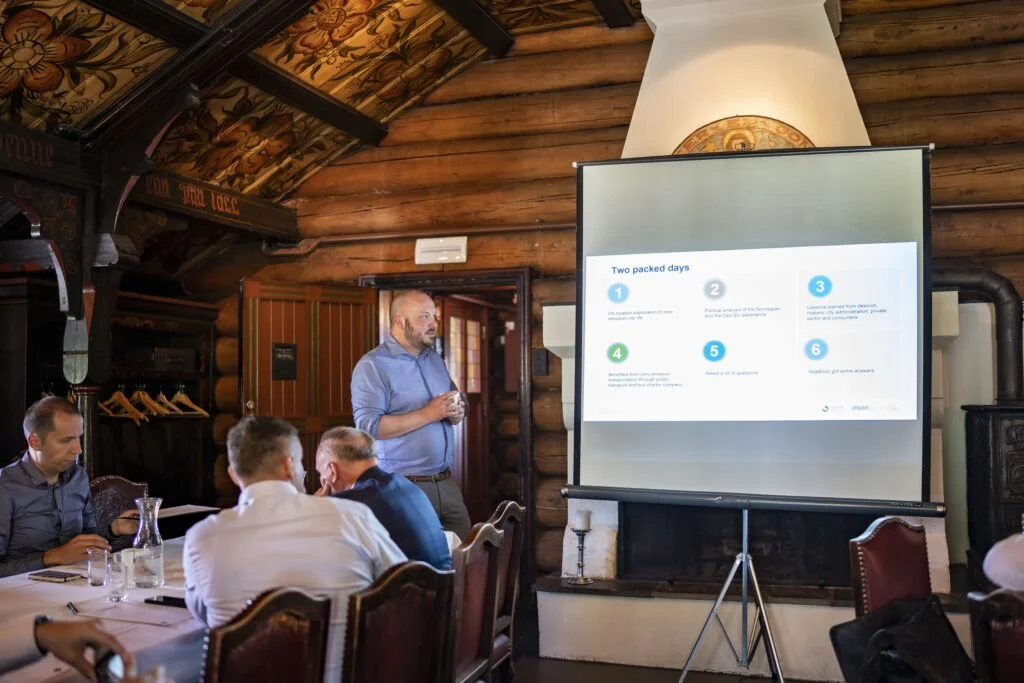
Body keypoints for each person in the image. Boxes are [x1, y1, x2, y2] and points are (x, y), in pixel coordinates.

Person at [184, 417, 406, 683]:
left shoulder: (202, 537)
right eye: (301, 464)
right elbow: (404, 589)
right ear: (289, 465)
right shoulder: (352, 517)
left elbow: (204, 616)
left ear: (232, 473)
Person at [351, 289, 471, 539]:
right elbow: (368, 428)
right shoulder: (373, 365)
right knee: (419, 560)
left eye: (434, 317)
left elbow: (454, 399)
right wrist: (429, 413)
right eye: (424, 317)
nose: (433, 323)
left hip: (447, 484)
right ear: (399, 321)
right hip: (404, 487)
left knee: (467, 556)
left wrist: (458, 411)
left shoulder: (434, 359)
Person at [0, 398, 137, 578]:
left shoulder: (78, 477)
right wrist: (50, 557)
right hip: (20, 590)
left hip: (76, 582)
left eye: (78, 438)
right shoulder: (5, 486)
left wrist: (114, 529)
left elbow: (87, 540)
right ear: (35, 442)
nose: (78, 449)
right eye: (66, 440)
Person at [315, 426, 452, 570]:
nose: (321, 479)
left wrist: (319, 506)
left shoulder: (353, 502)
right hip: (444, 579)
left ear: (332, 470)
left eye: (320, 472)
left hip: (409, 583)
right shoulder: (404, 483)